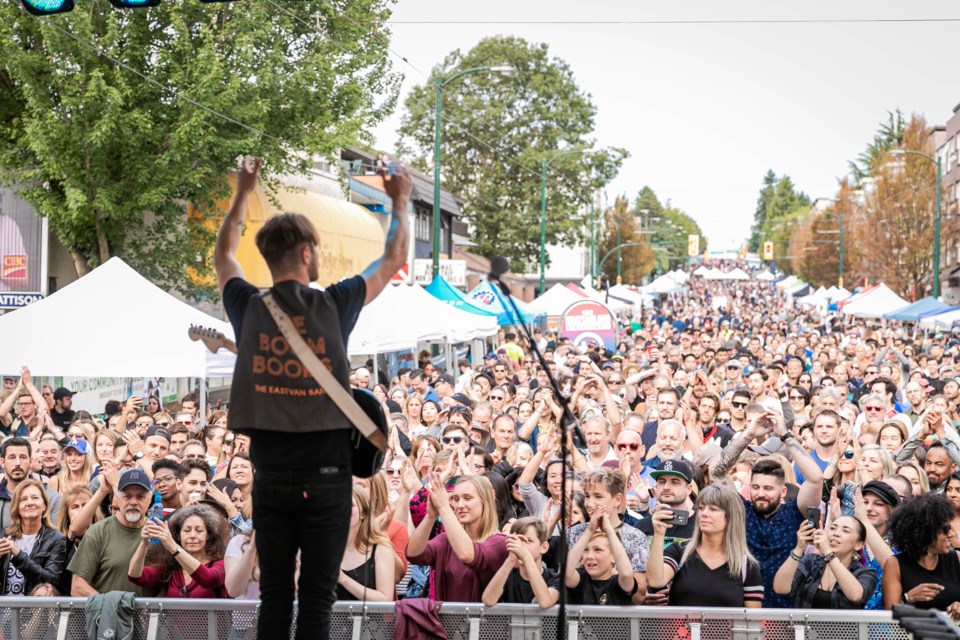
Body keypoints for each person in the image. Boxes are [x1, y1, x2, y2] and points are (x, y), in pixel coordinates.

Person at [215, 155, 410, 636]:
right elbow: (392, 260)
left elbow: (224, 257)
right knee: (318, 604)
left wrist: (243, 192)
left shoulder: (247, 305)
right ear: (306, 254)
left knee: (276, 601)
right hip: (327, 481)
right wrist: (400, 200)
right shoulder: (333, 304)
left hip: (271, 478)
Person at [646, 484, 763, 607]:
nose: (704, 513)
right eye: (701, 508)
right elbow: (656, 581)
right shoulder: (680, 551)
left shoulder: (746, 565)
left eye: (713, 509)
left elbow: (751, 621)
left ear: (731, 516)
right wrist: (659, 534)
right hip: (680, 626)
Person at [406, 474, 508, 601]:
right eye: (455, 499)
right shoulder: (446, 540)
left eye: (467, 498)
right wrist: (430, 516)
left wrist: (444, 508)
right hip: (447, 620)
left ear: (485, 501)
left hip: (482, 620)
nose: (459, 505)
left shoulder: (500, 542)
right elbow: (413, 554)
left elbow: (467, 555)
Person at [68, 468, 156, 596]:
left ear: (149, 500)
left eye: (140, 496)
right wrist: (110, 607)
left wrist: (152, 610)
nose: (133, 502)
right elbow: (77, 587)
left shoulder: (158, 532)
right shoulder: (98, 532)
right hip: (105, 614)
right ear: (118, 499)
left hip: (147, 615)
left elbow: (166, 583)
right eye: (127, 496)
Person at [883, 493, 960, 617]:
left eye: (951, 528)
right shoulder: (895, 564)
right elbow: (888, 617)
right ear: (925, 532)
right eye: (945, 529)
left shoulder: (957, 558)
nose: (951, 534)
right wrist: (909, 598)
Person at [774, 516, 877, 608]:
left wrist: (828, 553)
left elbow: (856, 596)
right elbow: (780, 588)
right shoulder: (811, 561)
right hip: (805, 628)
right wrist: (799, 548)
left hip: (843, 630)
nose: (836, 533)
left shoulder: (865, 573)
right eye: (832, 528)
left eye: (845, 531)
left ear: (858, 545)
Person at [128, 504, 228, 598]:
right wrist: (144, 542)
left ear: (208, 535)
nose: (192, 535)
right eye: (187, 530)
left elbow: (208, 578)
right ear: (178, 536)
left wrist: (173, 546)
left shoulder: (221, 565)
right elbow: (135, 576)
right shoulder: (171, 568)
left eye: (199, 530)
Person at [0, 480, 67, 595]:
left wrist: (19, 555)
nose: (29, 503)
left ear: (44, 505)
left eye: (35, 498)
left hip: (32, 610)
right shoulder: (5, 536)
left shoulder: (56, 539)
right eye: (23, 499)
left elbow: (52, 580)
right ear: (17, 507)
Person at [564, 508, 638, 606]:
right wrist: (590, 530)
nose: (590, 556)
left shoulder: (617, 583)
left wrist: (609, 530)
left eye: (598, 550)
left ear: (613, 557)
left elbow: (627, 574)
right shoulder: (581, 580)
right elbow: (566, 573)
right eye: (586, 550)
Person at [482, 516, 560, 608]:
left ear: (544, 547)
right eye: (518, 540)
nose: (522, 545)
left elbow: (545, 602)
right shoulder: (508, 576)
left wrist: (525, 556)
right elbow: (488, 600)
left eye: (529, 541)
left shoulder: (555, 578)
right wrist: (510, 560)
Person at [336, 486, 394, 601]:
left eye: (350, 505)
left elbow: (386, 599)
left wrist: (343, 579)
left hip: (369, 618)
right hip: (329, 618)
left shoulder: (380, 549)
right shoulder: (323, 548)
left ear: (363, 514)